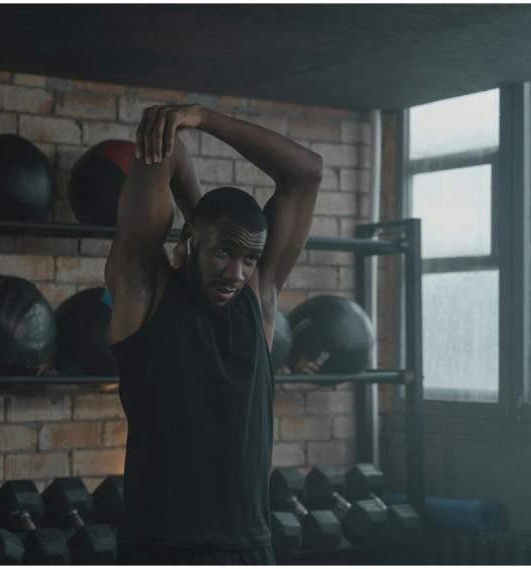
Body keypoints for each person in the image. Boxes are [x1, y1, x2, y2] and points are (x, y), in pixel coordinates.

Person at [105, 104, 323, 564]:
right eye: (225, 251)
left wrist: (206, 118)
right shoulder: (144, 290)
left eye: (249, 258)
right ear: (190, 240)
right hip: (159, 549)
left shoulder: (259, 297)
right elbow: (163, 149)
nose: (237, 272)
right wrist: (193, 201)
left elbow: (306, 174)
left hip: (248, 548)